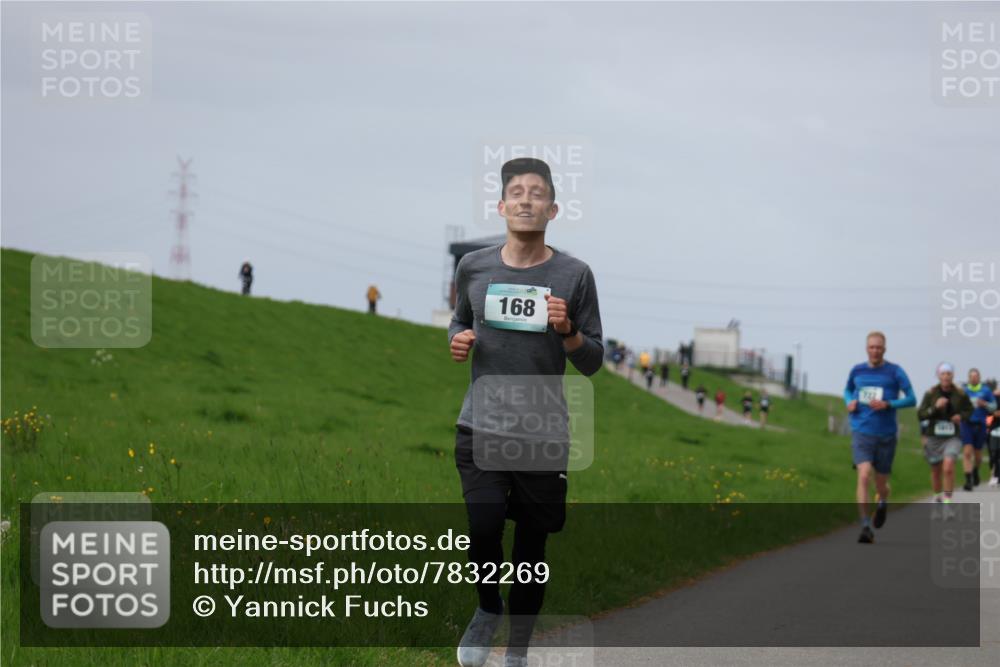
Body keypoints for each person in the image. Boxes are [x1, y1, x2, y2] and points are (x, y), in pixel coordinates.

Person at [448, 157, 604, 667]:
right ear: (501, 206)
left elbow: (593, 361)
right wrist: (458, 340)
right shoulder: (473, 267)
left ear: (553, 208)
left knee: (531, 551)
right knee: (484, 526)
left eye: (537, 192)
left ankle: (516, 652)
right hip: (480, 424)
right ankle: (488, 608)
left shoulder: (575, 275)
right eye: (516, 191)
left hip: (542, 431)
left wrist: (567, 332)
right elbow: (457, 321)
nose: (525, 199)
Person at [843, 331, 916, 544]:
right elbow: (848, 390)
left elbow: (912, 398)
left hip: (885, 434)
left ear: (884, 349)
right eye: (871, 347)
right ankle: (865, 526)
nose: (875, 350)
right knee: (864, 475)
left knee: (881, 483)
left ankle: (883, 502)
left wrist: (889, 404)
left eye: (878, 347)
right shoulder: (857, 370)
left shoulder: (895, 372)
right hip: (861, 430)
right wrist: (849, 401)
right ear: (867, 349)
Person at [916, 363, 972, 514]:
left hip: (952, 436)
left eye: (949, 373)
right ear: (938, 376)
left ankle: (947, 503)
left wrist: (961, 416)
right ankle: (937, 497)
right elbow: (921, 414)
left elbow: (969, 410)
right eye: (943, 374)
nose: (946, 376)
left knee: (948, 467)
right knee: (935, 471)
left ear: (952, 376)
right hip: (934, 436)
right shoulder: (931, 393)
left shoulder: (960, 394)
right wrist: (935, 407)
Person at [960, 368, 997, 490]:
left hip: (981, 424)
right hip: (967, 424)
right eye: (972, 376)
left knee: (978, 455)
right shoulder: (964, 391)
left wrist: (985, 404)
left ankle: (975, 470)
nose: (974, 378)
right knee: (967, 452)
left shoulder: (985, 391)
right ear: (969, 378)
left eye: (976, 376)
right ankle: (968, 479)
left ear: (979, 378)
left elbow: (994, 406)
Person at [989, 396, 1000, 487]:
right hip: (995, 431)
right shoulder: (995, 398)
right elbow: (990, 412)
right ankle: (994, 476)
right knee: (994, 455)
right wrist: (994, 413)